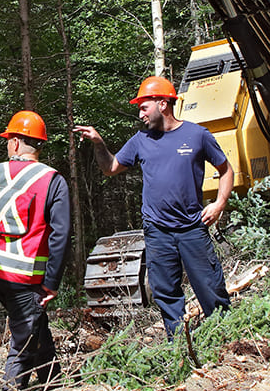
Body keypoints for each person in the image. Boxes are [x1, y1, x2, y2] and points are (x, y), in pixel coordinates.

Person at [75, 76, 233, 338]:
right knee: (165, 292)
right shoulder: (140, 140)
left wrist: (219, 204)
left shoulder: (197, 135)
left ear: (163, 103)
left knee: (210, 286)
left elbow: (226, 170)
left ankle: (225, 339)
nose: (140, 114)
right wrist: (99, 144)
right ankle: (179, 347)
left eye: (144, 107)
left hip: (192, 227)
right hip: (157, 231)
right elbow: (110, 168)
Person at [0, 110, 71, 391]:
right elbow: (60, 235)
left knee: (33, 323)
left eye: (8, 139)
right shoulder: (52, 181)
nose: (7, 144)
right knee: (23, 340)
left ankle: (52, 384)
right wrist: (52, 283)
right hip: (26, 278)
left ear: (17, 143)